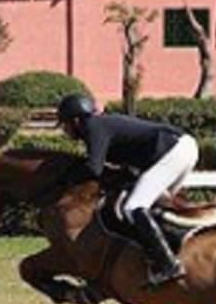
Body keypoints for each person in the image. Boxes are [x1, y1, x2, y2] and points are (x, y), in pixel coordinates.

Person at [56, 94, 198, 286]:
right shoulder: (102, 124)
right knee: (156, 204)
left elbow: (93, 168)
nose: (65, 130)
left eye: (65, 125)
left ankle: (168, 265)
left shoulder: (93, 127)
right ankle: (174, 244)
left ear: (75, 120)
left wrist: (65, 179)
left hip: (172, 150)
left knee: (133, 207)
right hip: (183, 147)